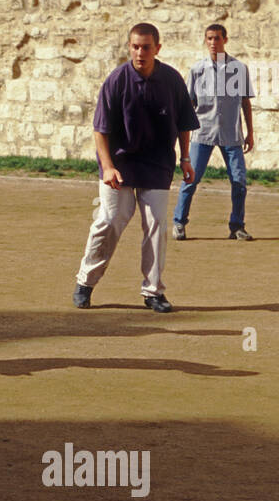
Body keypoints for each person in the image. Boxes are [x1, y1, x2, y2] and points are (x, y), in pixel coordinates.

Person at [73, 22, 198, 313]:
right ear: (129, 47)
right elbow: (100, 130)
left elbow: (183, 124)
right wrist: (107, 167)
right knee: (111, 220)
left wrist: (186, 158)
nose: (140, 52)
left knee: (156, 226)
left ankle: (153, 292)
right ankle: (86, 281)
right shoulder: (116, 81)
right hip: (120, 163)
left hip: (157, 164)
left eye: (146, 47)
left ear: (157, 48)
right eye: (135, 46)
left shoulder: (172, 80)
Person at [172, 23, 255, 240]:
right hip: (203, 132)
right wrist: (185, 135)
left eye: (217, 38)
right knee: (191, 179)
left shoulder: (239, 68)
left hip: (231, 133)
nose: (212, 42)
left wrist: (250, 132)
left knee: (239, 181)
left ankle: (237, 226)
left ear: (225, 40)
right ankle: (179, 222)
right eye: (209, 38)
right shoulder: (197, 70)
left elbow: (245, 102)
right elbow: (188, 105)